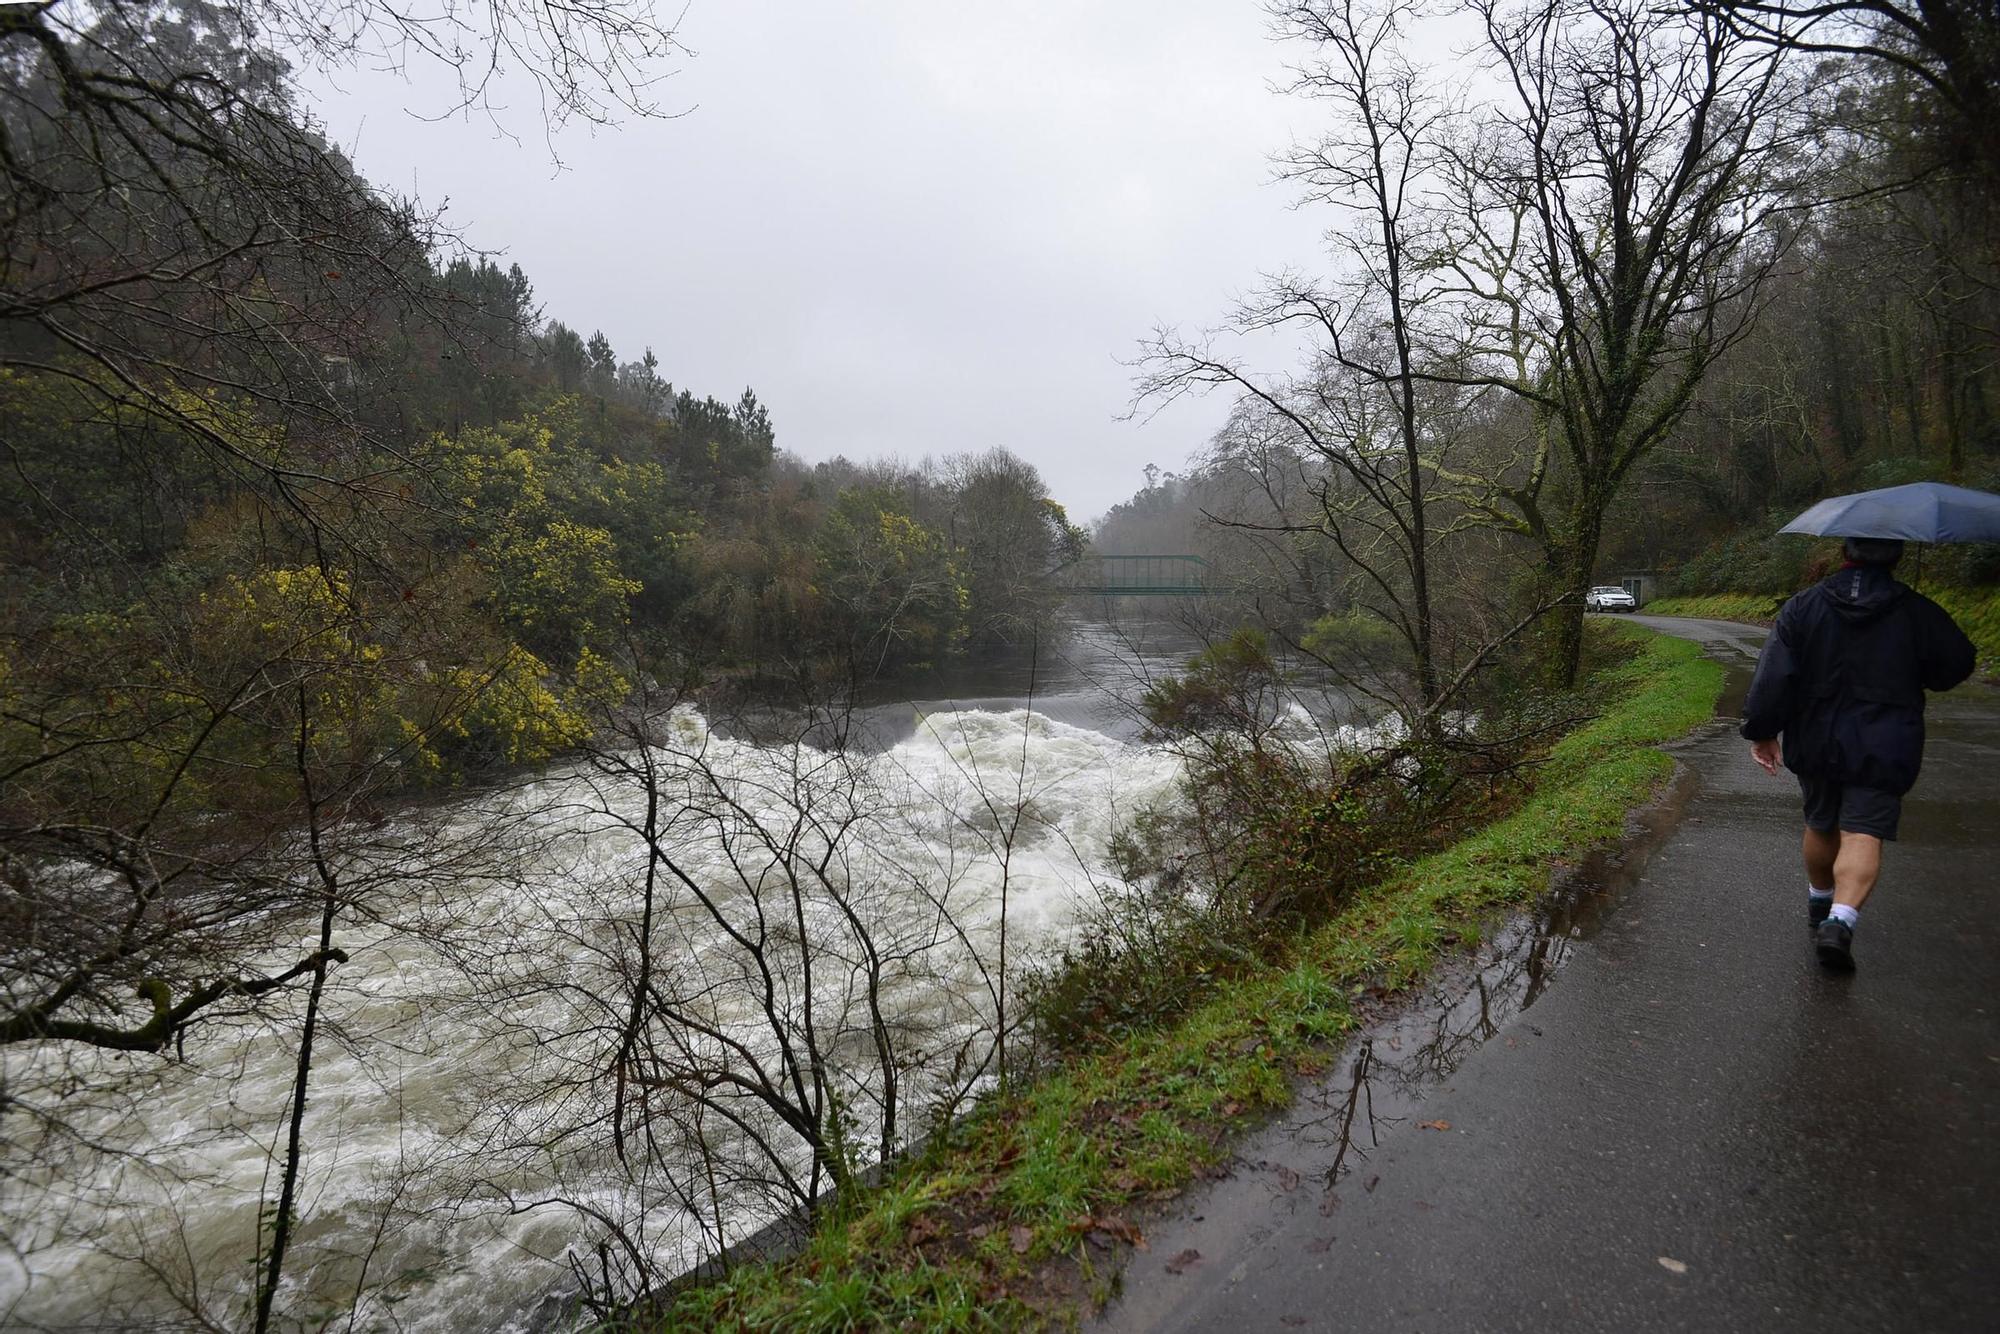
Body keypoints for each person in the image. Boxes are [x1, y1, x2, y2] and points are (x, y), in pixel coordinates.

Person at [1739, 536, 1976, 971]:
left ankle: (1819, 901)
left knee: (1821, 821)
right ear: (1898, 557)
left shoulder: (1803, 606)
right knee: (1863, 830)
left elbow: (1775, 676)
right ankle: (1840, 922)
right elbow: (1956, 665)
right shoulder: (1916, 610)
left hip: (1815, 736)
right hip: (1886, 740)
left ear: (1845, 554)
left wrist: (1763, 731)